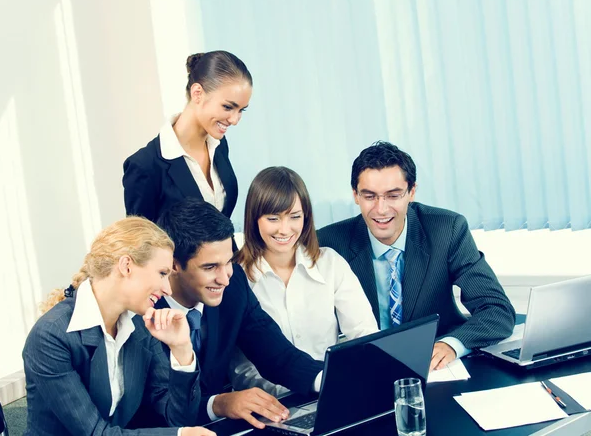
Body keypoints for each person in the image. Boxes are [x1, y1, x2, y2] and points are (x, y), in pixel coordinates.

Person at [317, 141, 516, 371]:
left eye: (393, 195)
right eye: (370, 196)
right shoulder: (330, 243)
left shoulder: (447, 229)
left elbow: (497, 309)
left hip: (439, 367)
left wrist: (451, 345)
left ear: (411, 192)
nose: (381, 209)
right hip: (368, 368)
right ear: (355, 195)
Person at [23, 217, 214, 436]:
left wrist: (181, 349)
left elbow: (177, 419)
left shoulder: (139, 326)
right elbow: (95, 433)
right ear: (126, 266)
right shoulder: (50, 336)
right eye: (162, 274)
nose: (167, 289)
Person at [155, 199, 324, 428]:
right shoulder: (145, 312)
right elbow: (158, 409)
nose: (224, 278)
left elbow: (277, 355)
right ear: (173, 265)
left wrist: (327, 380)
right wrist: (218, 404)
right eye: (210, 267)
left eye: (228, 262)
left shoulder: (234, 285)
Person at [230, 166, 378, 396]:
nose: (284, 229)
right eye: (273, 218)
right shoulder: (236, 278)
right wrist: (292, 391)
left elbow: (364, 334)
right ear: (254, 219)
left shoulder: (330, 263)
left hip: (330, 390)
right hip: (271, 403)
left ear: (306, 217)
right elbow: (241, 369)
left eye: (295, 217)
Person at [123, 50, 252, 222]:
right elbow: (142, 246)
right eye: (228, 107)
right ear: (197, 93)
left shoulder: (219, 144)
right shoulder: (145, 166)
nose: (235, 120)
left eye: (241, 110)